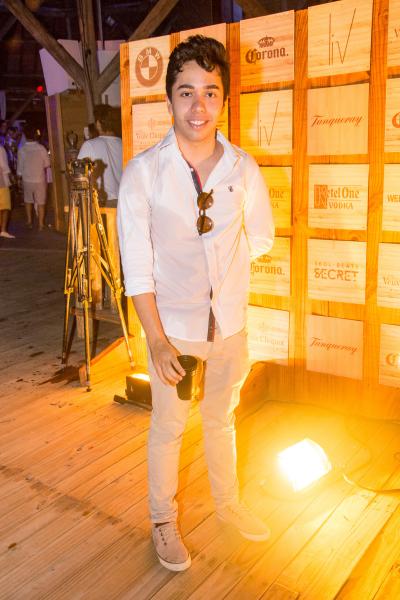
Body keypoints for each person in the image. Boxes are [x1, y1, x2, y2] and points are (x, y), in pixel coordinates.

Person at [117, 35, 274, 572]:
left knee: (221, 419)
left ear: (224, 99)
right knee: (168, 428)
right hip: (174, 334)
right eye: (186, 92)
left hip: (229, 328)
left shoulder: (243, 168)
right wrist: (157, 342)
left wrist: (226, 275)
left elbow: (263, 239)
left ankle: (228, 503)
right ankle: (163, 521)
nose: (199, 106)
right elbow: (137, 269)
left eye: (210, 92)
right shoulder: (143, 173)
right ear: (169, 99)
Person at [77, 105, 122, 207]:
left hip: (103, 202)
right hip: (124, 201)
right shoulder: (123, 143)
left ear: (98, 123)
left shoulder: (90, 145)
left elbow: (79, 176)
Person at [17, 123, 50, 230]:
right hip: (40, 179)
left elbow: (20, 167)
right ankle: (41, 224)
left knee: (28, 200)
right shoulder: (41, 148)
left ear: (25, 135)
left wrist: (19, 178)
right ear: (35, 135)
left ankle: (29, 221)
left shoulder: (22, 150)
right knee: (41, 202)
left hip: (27, 179)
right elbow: (47, 164)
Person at [0, 144, 15, 238]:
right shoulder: (0, 149)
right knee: (5, 206)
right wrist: (11, 176)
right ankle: (3, 230)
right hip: (1, 181)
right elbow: (4, 165)